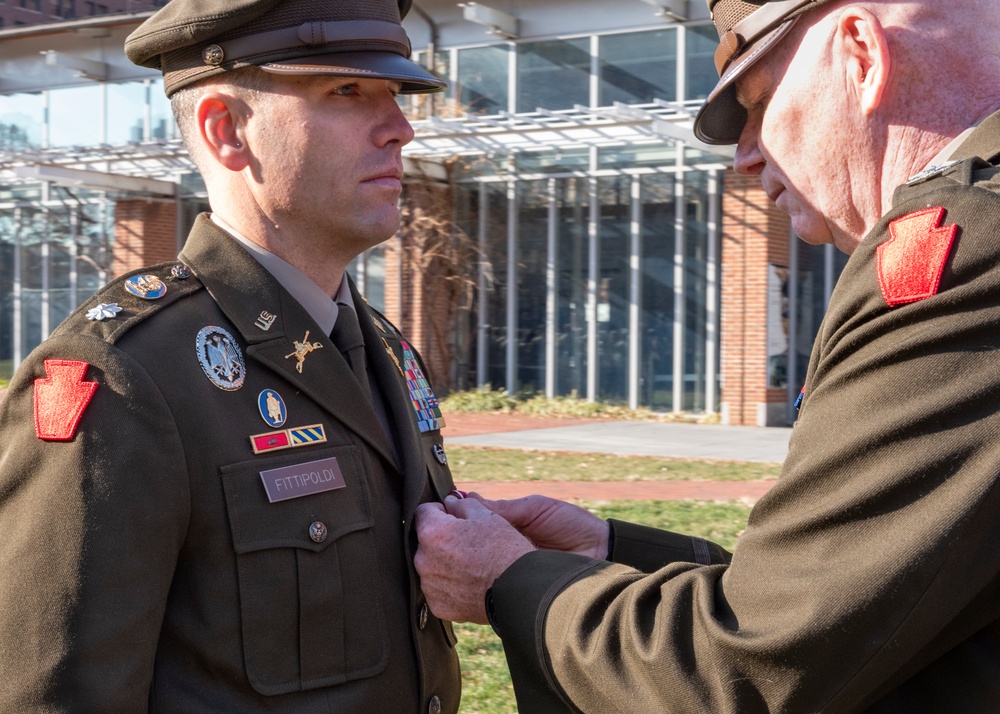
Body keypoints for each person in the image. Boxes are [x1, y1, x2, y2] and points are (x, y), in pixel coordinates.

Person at [414, 0, 1000, 711]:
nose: (748, 156)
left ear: (860, 52)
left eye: (760, 104)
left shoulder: (962, 247)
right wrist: (609, 554)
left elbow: (750, 671)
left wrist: (510, 584)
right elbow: (875, 599)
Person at [0, 1, 463, 712]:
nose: (400, 129)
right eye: (347, 92)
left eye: (396, 97)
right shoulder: (126, 375)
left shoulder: (385, 350)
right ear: (227, 131)